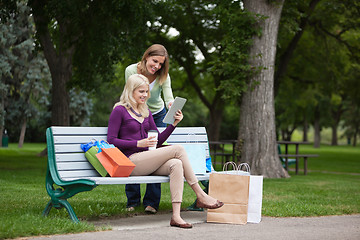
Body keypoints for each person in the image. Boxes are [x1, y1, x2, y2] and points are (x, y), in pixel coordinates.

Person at [107, 74, 223, 228]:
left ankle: (176, 216)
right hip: (130, 161)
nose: (145, 95)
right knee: (178, 149)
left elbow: (158, 140)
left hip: (147, 160)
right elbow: (111, 140)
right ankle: (200, 194)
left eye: (146, 91)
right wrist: (138, 143)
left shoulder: (145, 111)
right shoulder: (120, 110)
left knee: (176, 164)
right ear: (131, 90)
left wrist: (173, 124)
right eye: (141, 91)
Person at [124, 44, 174, 214]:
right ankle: (133, 200)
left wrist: (172, 105)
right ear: (146, 57)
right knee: (132, 152)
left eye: (161, 64)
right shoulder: (131, 70)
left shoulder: (163, 76)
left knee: (155, 154)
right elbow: (131, 93)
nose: (157, 66)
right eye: (154, 61)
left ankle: (151, 202)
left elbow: (168, 97)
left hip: (158, 115)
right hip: (136, 112)